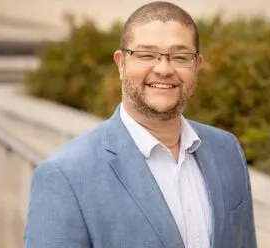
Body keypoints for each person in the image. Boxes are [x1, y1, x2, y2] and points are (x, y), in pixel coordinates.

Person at [24, 1, 257, 247]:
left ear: (197, 66)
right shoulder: (65, 174)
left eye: (180, 56)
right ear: (121, 64)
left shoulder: (227, 150)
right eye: (147, 55)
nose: (164, 69)